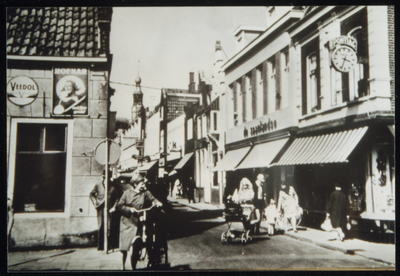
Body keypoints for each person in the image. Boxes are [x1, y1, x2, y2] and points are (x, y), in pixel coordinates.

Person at [118, 175, 162, 270]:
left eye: (143, 183)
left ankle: (144, 259)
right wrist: (130, 209)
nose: (143, 185)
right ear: (135, 184)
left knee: (143, 240)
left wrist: (157, 203)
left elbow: (153, 199)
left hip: (139, 220)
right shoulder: (127, 193)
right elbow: (120, 206)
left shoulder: (145, 193)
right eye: (141, 183)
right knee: (125, 246)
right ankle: (122, 266)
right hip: (127, 222)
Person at [89, 171, 118, 251]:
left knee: (109, 226)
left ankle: (109, 245)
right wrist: (95, 203)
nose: (106, 179)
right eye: (104, 177)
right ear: (102, 177)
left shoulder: (113, 186)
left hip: (110, 209)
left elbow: (117, 199)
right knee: (101, 225)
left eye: (108, 177)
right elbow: (91, 194)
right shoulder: (98, 185)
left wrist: (114, 207)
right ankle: (101, 245)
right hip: (101, 208)